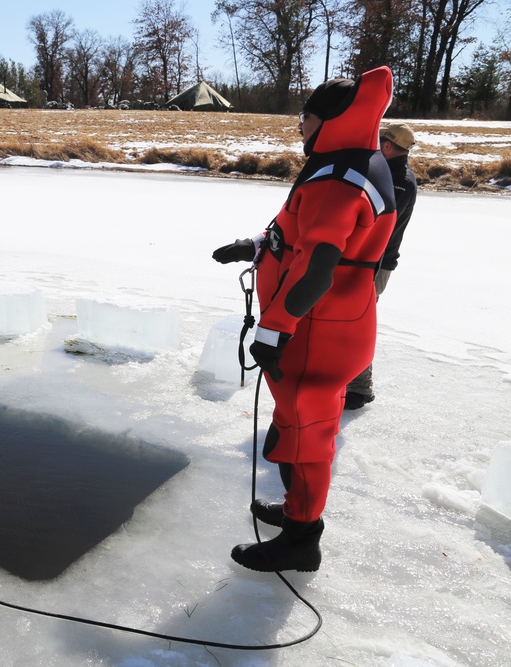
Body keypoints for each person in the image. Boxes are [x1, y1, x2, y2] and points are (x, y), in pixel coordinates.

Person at [211, 66, 397, 572]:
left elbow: (317, 267)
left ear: (331, 119)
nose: (299, 126)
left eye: (306, 116)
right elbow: (303, 234)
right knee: (298, 422)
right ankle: (297, 511)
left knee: (308, 432)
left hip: (317, 326)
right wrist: (255, 245)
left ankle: (301, 539)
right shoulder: (348, 162)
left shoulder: (339, 178)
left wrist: (275, 327)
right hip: (327, 323)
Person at [344, 122, 418, 410]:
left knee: (355, 322)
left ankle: (360, 389)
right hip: (373, 262)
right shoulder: (400, 176)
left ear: (387, 146)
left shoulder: (395, 181)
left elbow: (374, 224)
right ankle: (350, 382)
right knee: (352, 319)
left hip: (373, 264)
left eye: (379, 142)